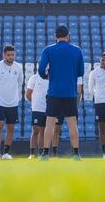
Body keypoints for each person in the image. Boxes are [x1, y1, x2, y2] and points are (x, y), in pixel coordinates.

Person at [38, 25, 84, 160]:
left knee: (50, 123)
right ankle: (76, 153)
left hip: (54, 92)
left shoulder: (48, 50)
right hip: (70, 92)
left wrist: (47, 76)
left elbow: (41, 70)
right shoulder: (77, 51)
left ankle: (45, 153)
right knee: (72, 124)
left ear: (55, 36)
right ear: (68, 35)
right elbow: (81, 72)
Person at [0, 45, 23, 159]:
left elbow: (20, 82)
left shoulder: (19, 67)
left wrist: (18, 96)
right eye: (8, 55)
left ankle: (6, 152)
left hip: (13, 103)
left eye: (12, 54)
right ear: (4, 55)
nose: (10, 57)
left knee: (11, 127)